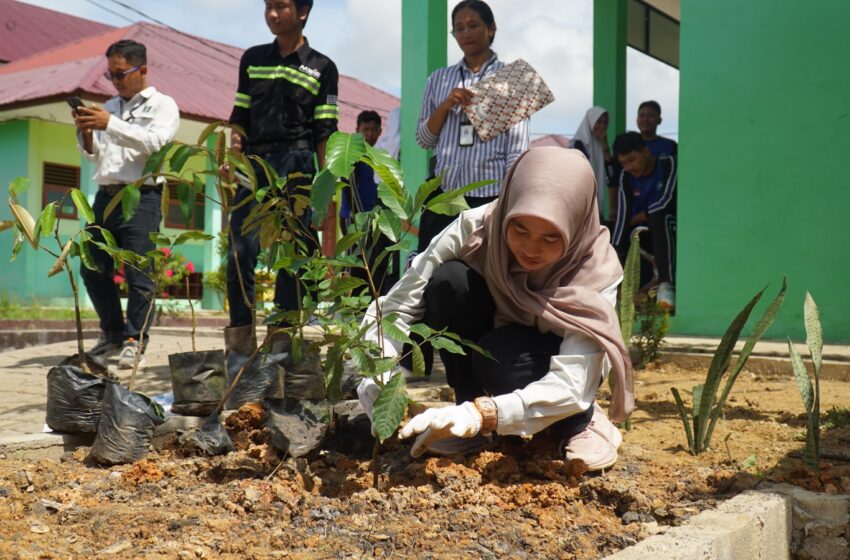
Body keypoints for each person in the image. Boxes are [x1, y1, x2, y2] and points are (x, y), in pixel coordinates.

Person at [357, 147, 634, 471]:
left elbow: (573, 380)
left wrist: (483, 414)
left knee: (502, 359)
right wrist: (378, 375)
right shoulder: (478, 227)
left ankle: (580, 422)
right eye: (519, 230)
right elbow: (398, 305)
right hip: (495, 335)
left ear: (575, 224)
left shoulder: (595, 270)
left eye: (550, 237)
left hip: (543, 359)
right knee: (448, 282)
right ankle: (468, 408)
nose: (530, 248)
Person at [225, 0, 338, 353]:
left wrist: (325, 192)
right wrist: (233, 157)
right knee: (239, 251)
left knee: (293, 253)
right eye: (268, 6)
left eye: (281, 7)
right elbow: (239, 118)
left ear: (302, 12)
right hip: (255, 166)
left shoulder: (323, 67)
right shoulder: (252, 59)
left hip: (299, 164)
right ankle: (240, 343)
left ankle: (281, 342)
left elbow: (325, 131)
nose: (272, 14)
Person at [73, 39, 180, 369]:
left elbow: (155, 143)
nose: (116, 81)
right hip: (104, 197)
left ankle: (136, 339)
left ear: (142, 70)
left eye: (121, 74)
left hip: (141, 197)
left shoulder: (163, 105)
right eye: (111, 75)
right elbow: (97, 155)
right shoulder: (109, 106)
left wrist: (110, 124)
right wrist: (87, 133)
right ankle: (112, 334)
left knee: (139, 273)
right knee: (91, 267)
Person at [415, 0, 529, 253]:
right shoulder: (439, 78)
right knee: (431, 273)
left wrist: (507, 201)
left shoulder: (511, 80)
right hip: (446, 195)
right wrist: (445, 106)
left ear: (491, 28)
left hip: (490, 198)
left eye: (473, 25)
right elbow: (424, 140)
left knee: (484, 273)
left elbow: (517, 149)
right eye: (459, 28)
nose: (465, 33)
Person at [611, 131, 677, 311]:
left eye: (632, 160)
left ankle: (666, 285)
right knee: (609, 229)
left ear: (646, 152)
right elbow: (623, 215)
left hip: (670, 227)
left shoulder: (668, 165)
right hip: (642, 232)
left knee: (658, 217)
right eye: (624, 163)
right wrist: (615, 251)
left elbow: (667, 201)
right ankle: (614, 288)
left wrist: (643, 215)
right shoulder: (626, 176)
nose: (629, 167)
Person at [339, 110, 398, 295]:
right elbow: (348, 187)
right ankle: (347, 306)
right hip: (354, 218)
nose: (370, 134)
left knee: (370, 263)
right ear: (357, 130)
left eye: (374, 129)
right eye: (366, 129)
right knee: (353, 262)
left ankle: (366, 307)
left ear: (381, 131)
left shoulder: (378, 153)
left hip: (372, 218)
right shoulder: (353, 153)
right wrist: (359, 218)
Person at [569, 107, 615, 221]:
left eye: (605, 122)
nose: (602, 126)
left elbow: (611, 174)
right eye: (598, 121)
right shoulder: (578, 144)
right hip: (581, 202)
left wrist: (604, 144)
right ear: (590, 121)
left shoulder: (600, 144)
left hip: (597, 203)